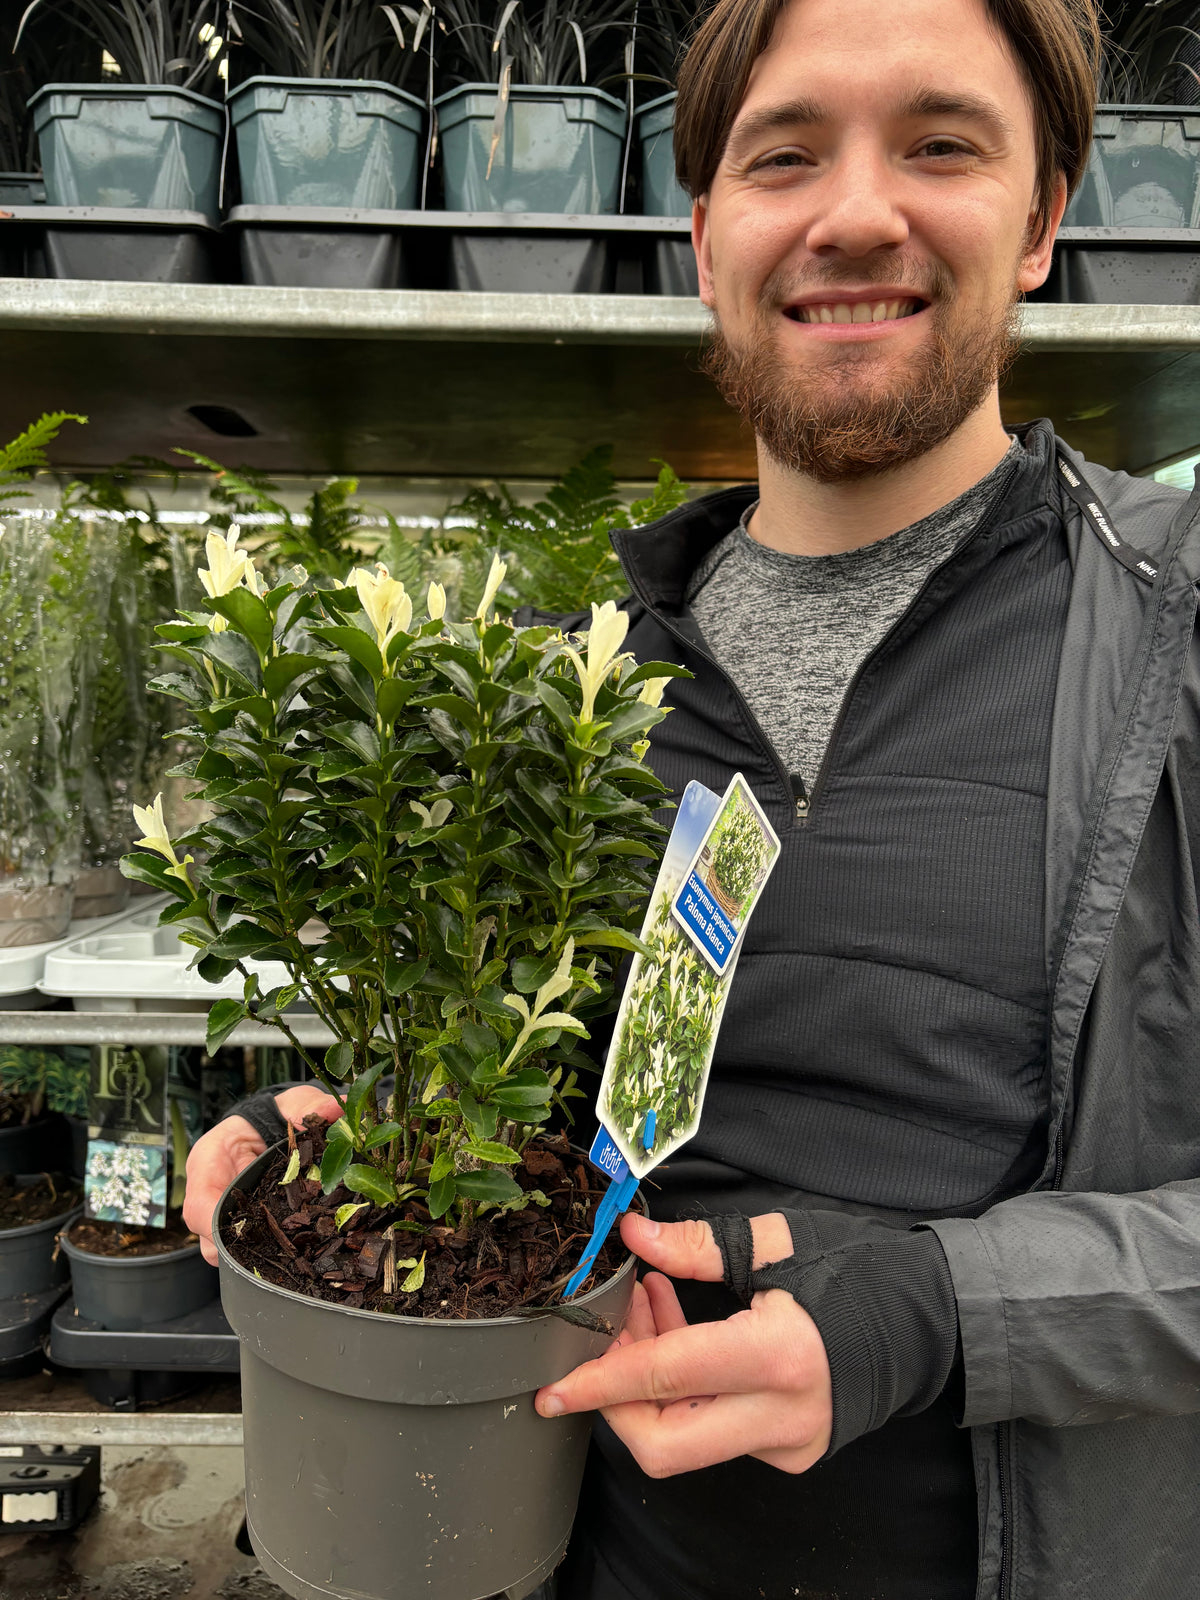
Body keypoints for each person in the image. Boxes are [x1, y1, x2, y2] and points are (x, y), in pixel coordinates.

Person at [184, 0, 1200, 1595]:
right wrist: (328, 1128)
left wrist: (943, 1311)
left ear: (1044, 219)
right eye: (785, 153)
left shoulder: (1170, 632)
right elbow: (505, 1066)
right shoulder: (564, 686)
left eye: (941, 144)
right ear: (708, 225)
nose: (856, 212)